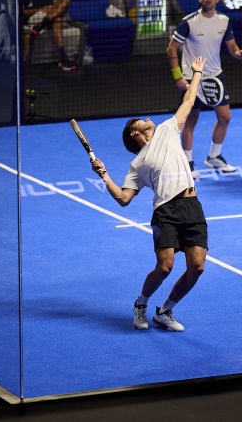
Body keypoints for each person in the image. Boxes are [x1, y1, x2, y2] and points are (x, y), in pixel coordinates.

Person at [90, 54, 209, 332]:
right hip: (165, 212)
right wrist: (105, 175)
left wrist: (196, 74)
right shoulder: (137, 163)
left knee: (197, 267)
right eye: (141, 121)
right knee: (165, 266)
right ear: (134, 134)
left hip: (192, 207)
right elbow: (123, 198)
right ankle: (141, 304)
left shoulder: (168, 130)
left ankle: (165, 311)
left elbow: (188, 102)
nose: (147, 118)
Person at [167, 0, 242, 179]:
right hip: (192, 77)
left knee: (225, 117)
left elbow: (232, 47)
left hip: (215, 76)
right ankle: (187, 163)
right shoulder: (188, 22)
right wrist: (178, 76)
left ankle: (214, 156)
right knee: (191, 120)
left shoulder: (224, 20)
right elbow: (171, 48)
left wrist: (238, 54)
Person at [18, 0, 79, 71]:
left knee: (65, 1)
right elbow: (22, 13)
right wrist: (40, 10)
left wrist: (53, 8)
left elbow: (57, 3)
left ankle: (40, 27)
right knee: (57, 18)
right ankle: (64, 60)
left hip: (51, 15)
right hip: (35, 16)